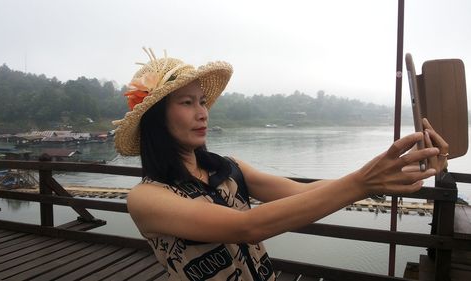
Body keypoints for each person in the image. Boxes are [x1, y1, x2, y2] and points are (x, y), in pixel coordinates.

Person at [113, 48, 449, 281]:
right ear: (156, 121)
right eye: (187, 103)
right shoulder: (147, 197)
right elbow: (247, 227)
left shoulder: (228, 168)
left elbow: (301, 192)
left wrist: (392, 173)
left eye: (202, 101)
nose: (202, 112)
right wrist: (362, 182)